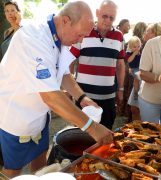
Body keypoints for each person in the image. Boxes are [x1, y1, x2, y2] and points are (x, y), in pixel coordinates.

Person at [0, 1, 113, 178]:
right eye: (80, 34)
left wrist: (82, 97)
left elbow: (64, 74)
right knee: (14, 171)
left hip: (39, 117)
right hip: (17, 119)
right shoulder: (33, 38)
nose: (81, 40)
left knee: (40, 161)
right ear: (66, 20)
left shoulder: (59, 38)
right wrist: (92, 127)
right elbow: (50, 96)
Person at [70, 0, 125, 130]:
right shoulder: (84, 31)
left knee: (105, 134)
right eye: (104, 16)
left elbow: (120, 65)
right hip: (83, 96)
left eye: (112, 18)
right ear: (97, 13)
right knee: (81, 134)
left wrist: (121, 89)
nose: (107, 20)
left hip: (108, 98)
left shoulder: (119, 36)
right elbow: (70, 60)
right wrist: (71, 88)